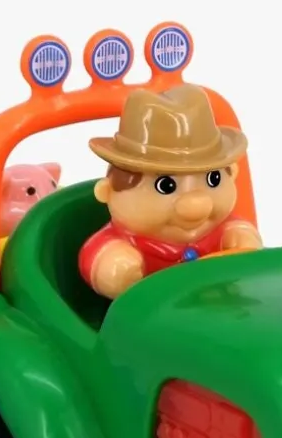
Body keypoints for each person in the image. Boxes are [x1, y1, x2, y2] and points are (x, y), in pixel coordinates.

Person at [78, 84, 262, 300]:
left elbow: (239, 229)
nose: (197, 204)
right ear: (108, 192)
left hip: (218, 306)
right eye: (166, 186)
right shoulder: (124, 243)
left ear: (232, 173)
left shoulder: (220, 229)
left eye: (213, 179)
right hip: (147, 315)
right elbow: (94, 254)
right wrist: (111, 267)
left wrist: (242, 235)